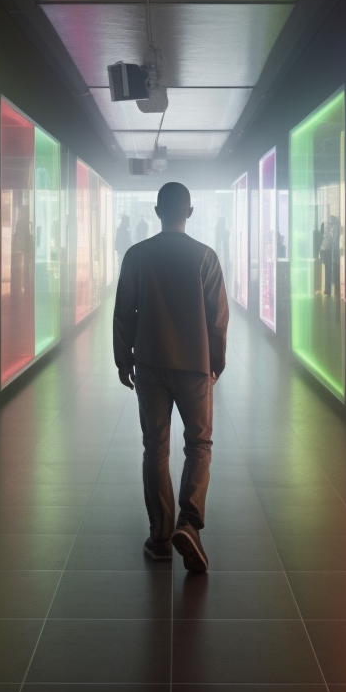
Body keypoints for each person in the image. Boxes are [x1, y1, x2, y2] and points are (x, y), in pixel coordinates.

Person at [113, 182, 228, 573]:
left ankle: (160, 537)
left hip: (149, 363)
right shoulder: (205, 257)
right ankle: (189, 525)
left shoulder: (137, 255)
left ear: (157, 210)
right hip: (195, 365)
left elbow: (124, 311)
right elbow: (218, 317)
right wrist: (217, 361)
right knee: (199, 445)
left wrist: (122, 358)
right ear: (190, 212)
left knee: (155, 447)